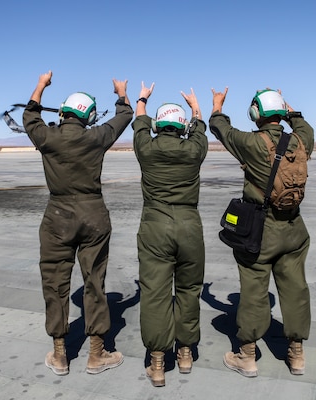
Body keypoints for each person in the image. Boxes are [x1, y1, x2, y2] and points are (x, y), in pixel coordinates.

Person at [22, 70, 134, 376]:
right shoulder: (96, 137)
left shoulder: (47, 136)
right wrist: (121, 93)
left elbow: (29, 116)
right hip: (94, 214)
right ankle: (96, 354)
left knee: (55, 283)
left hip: (57, 215)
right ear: (90, 116)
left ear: (63, 112)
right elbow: (124, 115)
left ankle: (60, 354)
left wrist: (41, 85)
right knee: (94, 282)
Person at [208, 87, 314, 377]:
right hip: (294, 229)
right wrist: (288, 108)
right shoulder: (302, 141)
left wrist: (217, 105)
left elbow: (220, 127)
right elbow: (303, 125)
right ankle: (296, 353)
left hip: (260, 231)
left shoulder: (251, 143)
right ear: (281, 114)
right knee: (296, 289)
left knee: (254, 290)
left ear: (256, 114)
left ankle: (247, 355)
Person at [132, 82, 208, 387]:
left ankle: (159, 362)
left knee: (154, 294)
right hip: (190, 226)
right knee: (189, 291)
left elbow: (139, 123)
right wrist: (194, 106)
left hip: (154, 225)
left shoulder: (146, 149)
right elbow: (200, 126)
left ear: (157, 125)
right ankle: (186, 353)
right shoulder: (194, 150)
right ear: (182, 126)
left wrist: (142, 98)